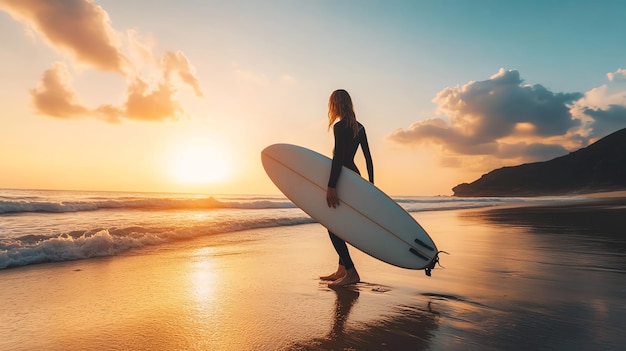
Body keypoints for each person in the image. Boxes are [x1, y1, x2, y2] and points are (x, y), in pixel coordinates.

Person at [320, 89, 374, 287]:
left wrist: (331, 185)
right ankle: (342, 269)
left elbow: (338, 159)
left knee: (332, 225)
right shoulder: (360, 128)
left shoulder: (340, 126)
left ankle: (351, 271)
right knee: (339, 223)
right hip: (355, 178)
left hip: (342, 178)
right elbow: (368, 159)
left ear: (335, 105)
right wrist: (371, 186)